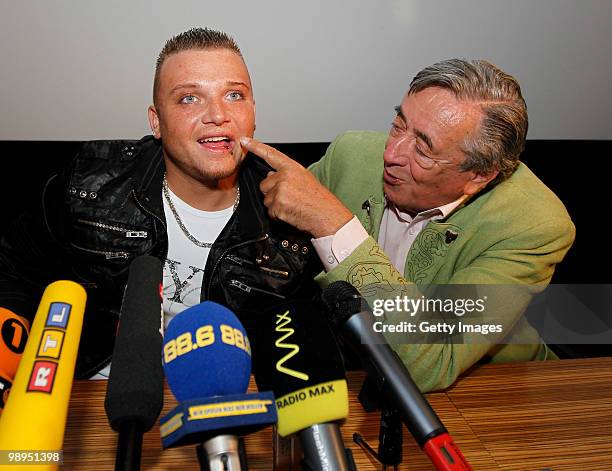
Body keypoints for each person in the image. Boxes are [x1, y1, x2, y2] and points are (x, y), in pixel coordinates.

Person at [0, 28, 320, 380]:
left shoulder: (291, 217)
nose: (218, 114)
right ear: (156, 121)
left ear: (253, 112)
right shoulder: (90, 183)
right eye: (189, 99)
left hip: (232, 403)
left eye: (234, 95)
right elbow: (12, 267)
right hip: (95, 397)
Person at [241, 59, 576, 391]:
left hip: (503, 394)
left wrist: (336, 227)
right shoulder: (351, 156)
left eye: (424, 149)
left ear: (478, 176)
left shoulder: (532, 225)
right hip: (355, 379)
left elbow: (428, 363)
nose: (392, 153)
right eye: (398, 124)